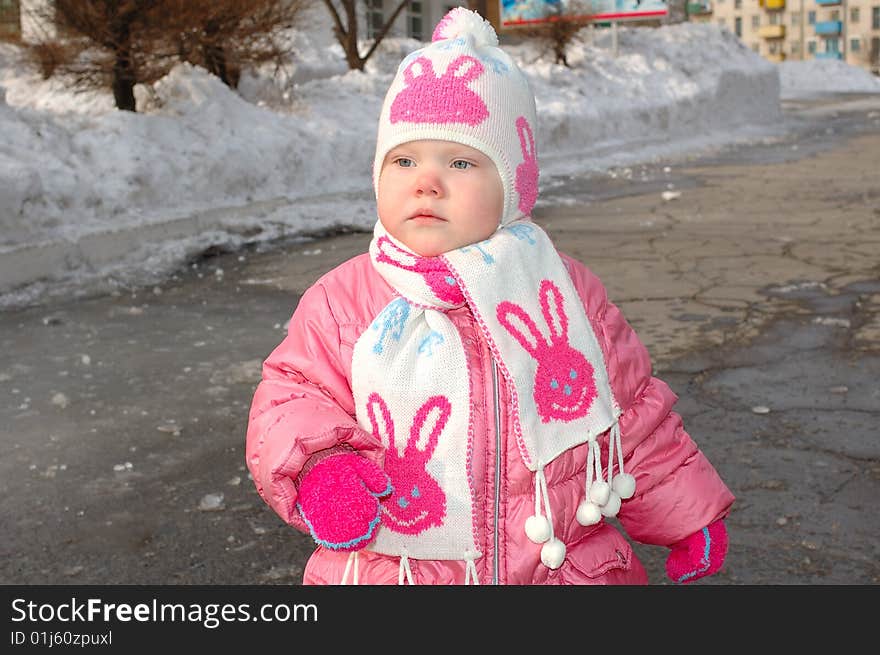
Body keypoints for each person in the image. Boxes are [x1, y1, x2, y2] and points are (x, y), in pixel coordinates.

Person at [246, 8, 734, 585]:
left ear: (513, 185)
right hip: (397, 572)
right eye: (404, 160)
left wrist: (688, 512)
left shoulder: (561, 289)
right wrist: (323, 470)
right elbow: (290, 399)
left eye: (460, 162)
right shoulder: (345, 300)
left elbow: (630, 416)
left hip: (562, 568)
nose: (426, 181)